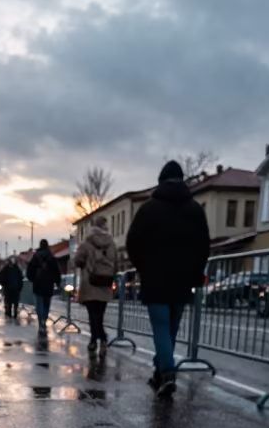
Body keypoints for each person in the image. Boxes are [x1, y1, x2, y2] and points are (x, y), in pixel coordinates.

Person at [126, 160, 209, 396]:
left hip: (156, 279)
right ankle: (161, 372)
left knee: (161, 328)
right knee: (171, 329)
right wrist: (195, 273)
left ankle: (168, 373)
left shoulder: (149, 209)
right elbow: (204, 246)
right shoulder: (195, 210)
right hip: (183, 281)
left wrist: (143, 267)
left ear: (161, 181)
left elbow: (132, 243)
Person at [75, 217, 118, 355]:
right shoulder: (111, 243)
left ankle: (95, 340)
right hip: (105, 283)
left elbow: (78, 261)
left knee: (93, 315)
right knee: (100, 314)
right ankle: (101, 341)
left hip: (90, 282)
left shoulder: (86, 243)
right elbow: (116, 263)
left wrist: (84, 263)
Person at [26, 239, 62, 335]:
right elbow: (57, 272)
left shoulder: (36, 257)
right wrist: (58, 282)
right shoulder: (52, 257)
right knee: (47, 304)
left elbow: (29, 270)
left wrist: (32, 279)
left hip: (38, 283)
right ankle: (44, 320)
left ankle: (41, 321)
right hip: (49, 284)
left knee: (39, 303)